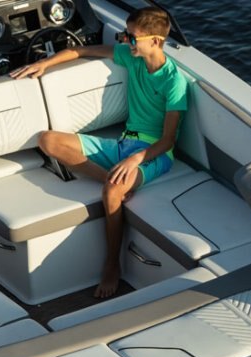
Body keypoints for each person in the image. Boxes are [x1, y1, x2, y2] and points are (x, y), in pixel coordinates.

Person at [11, 7, 187, 299]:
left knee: (112, 192)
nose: (126, 41)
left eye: (132, 37)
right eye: (125, 35)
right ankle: (112, 179)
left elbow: (168, 141)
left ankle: (111, 263)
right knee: (48, 140)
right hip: (122, 144)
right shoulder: (132, 58)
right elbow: (82, 51)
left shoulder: (174, 82)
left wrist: (135, 159)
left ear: (156, 41)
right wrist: (45, 63)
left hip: (154, 154)